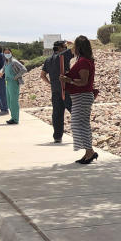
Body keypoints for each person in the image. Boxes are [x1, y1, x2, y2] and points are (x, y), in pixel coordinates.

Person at [61, 36, 98, 164]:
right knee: (81, 125)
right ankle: (88, 151)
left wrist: (69, 80)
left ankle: (90, 152)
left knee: (79, 125)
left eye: (75, 46)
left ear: (79, 47)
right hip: (80, 97)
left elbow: (83, 81)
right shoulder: (85, 60)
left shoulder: (83, 62)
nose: (73, 48)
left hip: (82, 96)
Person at [41, 40, 73, 142]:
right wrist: (71, 43)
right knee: (75, 111)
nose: (66, 48)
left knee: (57, 114)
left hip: (55, 90)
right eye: (64, 47)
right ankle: (82, 135)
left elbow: (42, 75)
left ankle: (57, 137)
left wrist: (50, 83)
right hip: (65, 89)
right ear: (60, 48)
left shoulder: (48, 60)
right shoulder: (63, 55)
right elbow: (76, 48)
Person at [0, 48, 27, 124]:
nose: (7, 54)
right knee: (9, 101)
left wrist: (16, 76)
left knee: (13, 101)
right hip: (8, 82)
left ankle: (15, 119)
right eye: (5, 53)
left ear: (11, 53)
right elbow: (4, 68)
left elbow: (24, 69)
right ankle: (13, 117)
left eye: (8, 52)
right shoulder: (6, 62)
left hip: (13, 83)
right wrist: (1, 72)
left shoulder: (14, 62)